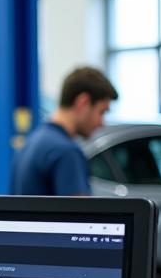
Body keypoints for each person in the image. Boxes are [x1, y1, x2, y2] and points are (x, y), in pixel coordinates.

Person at [11, 66, 117, 196]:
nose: (102, 123)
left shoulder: (31, 142)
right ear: (83, 102)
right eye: (102, 112)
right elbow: (80, 214)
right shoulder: (66, 152)